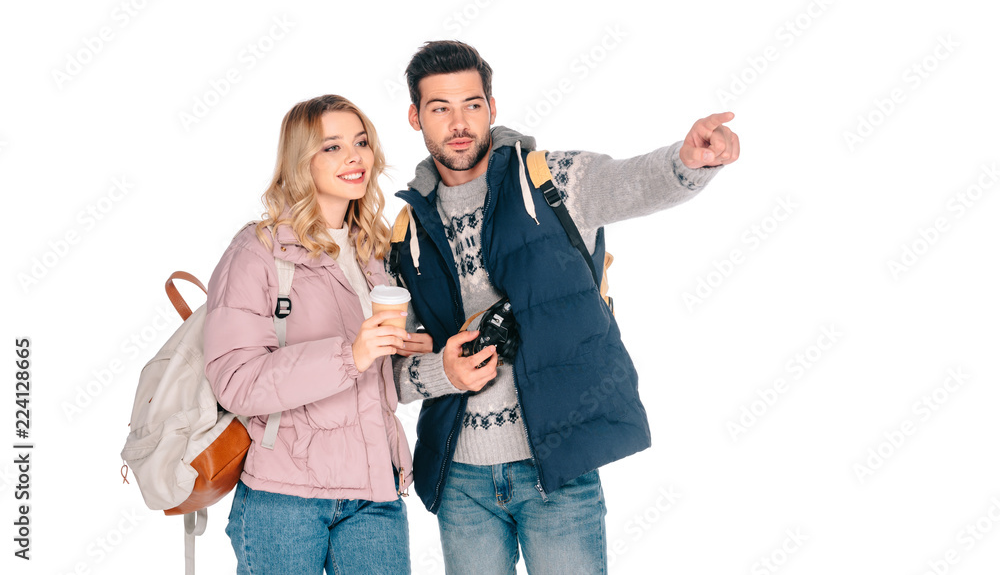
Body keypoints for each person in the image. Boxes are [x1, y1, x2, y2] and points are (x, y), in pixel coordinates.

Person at [389, 41, 740, 574]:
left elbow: (632, 182)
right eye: (441, 108)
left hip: (557, 465)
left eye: (472, 104)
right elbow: (388, 375)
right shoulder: (405, 234)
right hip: (461, 481)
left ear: (492, 107)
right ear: (416, 116)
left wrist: (689, 160)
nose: (459, 123)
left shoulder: (549, 179)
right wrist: (442, 371)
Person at [203, 94, 434, 574]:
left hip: (376, 490)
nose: (354, 158)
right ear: (299, 160)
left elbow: (378, 376)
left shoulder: (375, 246)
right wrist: (350, 355)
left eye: (361, 142)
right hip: (283, 499)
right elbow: (235, 381)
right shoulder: (258, 251)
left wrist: (413, 351)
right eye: (332, 147)